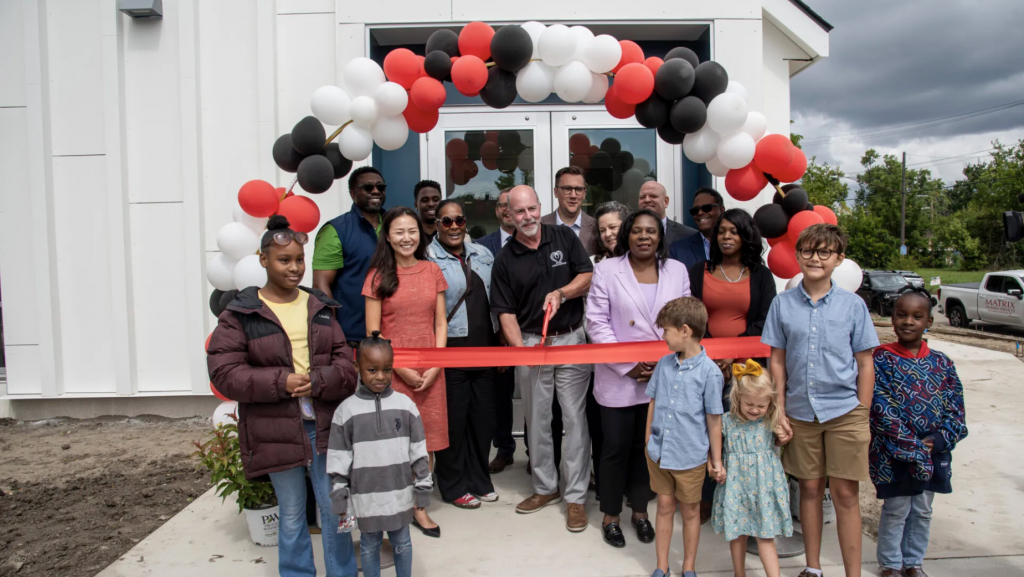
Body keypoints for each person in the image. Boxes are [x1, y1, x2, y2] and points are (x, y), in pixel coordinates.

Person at [208, 215, 358, 577]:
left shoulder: (319, 306)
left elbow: (347, 366)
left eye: (299, 260)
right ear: (263, 260)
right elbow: (225, 373)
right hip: (274, 426)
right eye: (284, 260)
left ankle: (343, 572)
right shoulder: (241, 314)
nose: (294, 268)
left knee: (335, 506)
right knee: (292, 512)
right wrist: (282, 382)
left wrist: (319, 380)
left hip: (324, 423)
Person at [760, 224, 880, 577]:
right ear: (798, 255)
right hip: (799, 412)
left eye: (824, 252)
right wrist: (778, 410)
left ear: (838, 259)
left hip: (845, 412)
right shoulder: (782, 305)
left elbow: (865, 362)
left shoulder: (852, 305)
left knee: (845, 494)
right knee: (809, 491)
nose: (815, 258)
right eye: (809, 251)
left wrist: (862, 410)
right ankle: (813, 568)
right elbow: (777, 361)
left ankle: (852, 573)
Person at [490, 185, 594, 532]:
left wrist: (562, 294)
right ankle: (545, 488)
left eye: (532, 209)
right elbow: (505, 313)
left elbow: (587, 275)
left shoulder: (563, 236)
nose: (528, 217)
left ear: (539, 206)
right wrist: (522, 351)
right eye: (519, 212)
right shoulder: (505, 259)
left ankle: (576, 496)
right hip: (532, 342)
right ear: (509, 214)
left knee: (574, 420)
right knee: (536, 422)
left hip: (571, 340)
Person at [586, 209, 691, 549]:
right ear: (627, 235)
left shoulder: (676, 270)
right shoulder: (605, 269)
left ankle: (640, 513)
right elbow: (597, 322)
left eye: (651, 231)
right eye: (637, 231)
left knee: (648, 449)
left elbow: (685, 320)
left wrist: (660, 365)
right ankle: (611, 515)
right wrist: (628, 364)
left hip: (663, 375)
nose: (644, 236)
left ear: (660, 237)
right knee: (614, 448)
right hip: (618, 376)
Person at [686, 208, 777, 522]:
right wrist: (713, 354)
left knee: (740, 436)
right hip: (704, 365)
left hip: (747, 371)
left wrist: (732, 355)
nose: (726, 236)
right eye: (721, 231)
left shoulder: (762, 276)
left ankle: (740, 499)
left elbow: (765, 321)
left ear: (746, 236)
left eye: (733, 231)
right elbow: (693, 318)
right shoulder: (699, 271)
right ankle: (707, 499)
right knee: (706, 432)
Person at [363, 206, 448, 538]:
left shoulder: (432, 271)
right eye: (399, 231)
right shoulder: (377, 276)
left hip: (432, 370)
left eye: (412, 231)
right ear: (387, 236)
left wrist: (439, 363)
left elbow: (440, 322)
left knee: (427, 443)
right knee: (396, 442)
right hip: (392, 373)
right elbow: (373, 334)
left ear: (420, 233)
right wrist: (400, 367)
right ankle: (395, 504)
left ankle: (420, 506)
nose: (406, 238)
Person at [870, 289, 968, 577]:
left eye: (917, 316)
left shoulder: (942, 363)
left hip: (932, 452)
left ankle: (913, 562)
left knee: (923, 509)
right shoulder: (881, 359)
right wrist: (910, 444)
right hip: (894, 453)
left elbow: (956, 409)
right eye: (902, 315)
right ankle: (890, 563)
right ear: (892, 319)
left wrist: (936, 441)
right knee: (896, 508)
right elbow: (880, 406)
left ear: (929, 322)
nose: (908, 321)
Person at [327, 332, 431, 577]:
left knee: (403, 542)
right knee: (369, 545)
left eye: (387, 369)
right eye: (372, 370)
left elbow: (418, 451)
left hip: (400, 496)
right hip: (366, 499)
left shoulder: (406, 406)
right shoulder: (346, 411)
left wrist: (423, 488)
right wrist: (340, 495)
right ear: (357, 367)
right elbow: (338, 457)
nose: (381, 376)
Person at [428, 200, 500, 508]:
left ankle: (479, 479)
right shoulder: (427, 258)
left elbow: (497, 299)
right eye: (447, 221)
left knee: (483, 421)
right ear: (437, 225)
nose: (454, 226)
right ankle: (453, 484)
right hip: (451, 352)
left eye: (459, 220)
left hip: (485, 351)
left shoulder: (483, 254)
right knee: (454, 423)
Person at [645, 297, 724, 577]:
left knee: (690, 512)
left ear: (685, 331)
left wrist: (716, 460)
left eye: (666, 330)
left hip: (690, 456)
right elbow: (653, 402)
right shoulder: (664, 364)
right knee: (664, 505)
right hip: (659, 453)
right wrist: (648, 442)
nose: (663, 336)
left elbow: (714, 419)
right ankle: (661, 566)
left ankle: (688, 566)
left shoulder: (711, 373)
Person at [711, 359, 793, 577]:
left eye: (761, 405)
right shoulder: (725, 421)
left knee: (765, 536)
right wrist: (714, 465)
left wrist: (783, 439)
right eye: (750, 404)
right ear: (737, 398)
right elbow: (713, 450)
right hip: (736, 486)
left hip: (763, 487)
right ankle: (740, 574)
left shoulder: (769, 420)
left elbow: (777, 444)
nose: (755, 410)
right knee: (737, 534)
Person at [313, 167, 386, 346]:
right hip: (352, 336)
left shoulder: (394, 225)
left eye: (380, 187)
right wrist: (333, 334)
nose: (375, 191)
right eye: (368, 187)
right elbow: (321, 286)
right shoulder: (336, 230)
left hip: (393, 332)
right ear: (353, 193)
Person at [477, 188, 520, 474]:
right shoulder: (481, 247)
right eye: (503, 205)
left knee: (534, 396)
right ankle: (504, 449)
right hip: (495, 335)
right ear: (497, 210)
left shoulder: (536, 242)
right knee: (500, 395)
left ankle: (535, 451)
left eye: (512, 205)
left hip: (529, 330)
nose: (508, 210)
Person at [541, 166, 599, 256]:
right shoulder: (540, 226)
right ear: (556, 192)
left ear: (584, 194)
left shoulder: (596, 227)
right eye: (567, 189)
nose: (573, 195)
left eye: (578, 189)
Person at [668, 187, 724, 270]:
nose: (700, 212)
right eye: (695, 210)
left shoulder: (736, 244)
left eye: (707, 208)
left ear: (721, 210)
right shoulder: (677, 250)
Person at [638, 181, 697, 247]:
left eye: (653, 196)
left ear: (666, 201)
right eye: (642, 197)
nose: (647, 200)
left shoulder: (688, 235)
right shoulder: (628, 233)